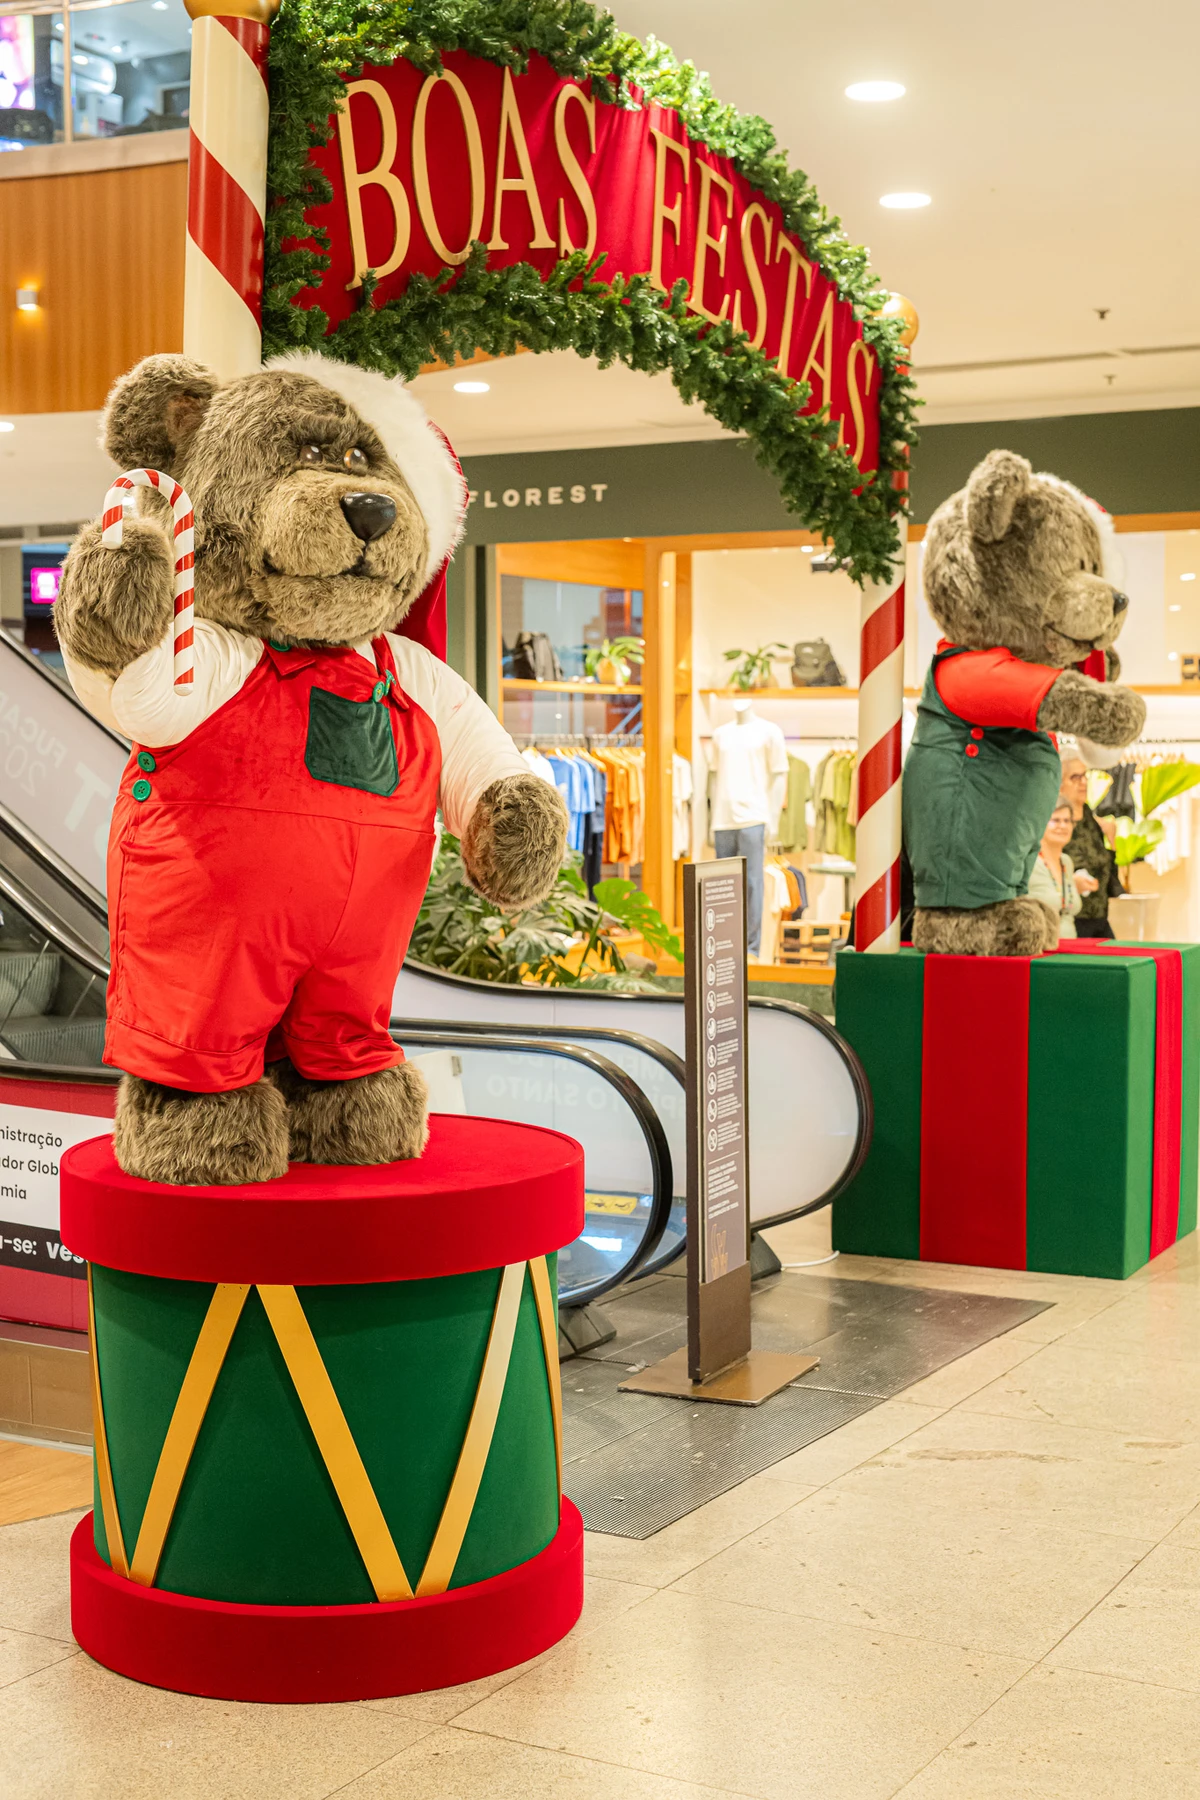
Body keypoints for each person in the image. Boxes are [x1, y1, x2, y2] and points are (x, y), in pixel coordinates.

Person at [1060, 754, 1122, 938]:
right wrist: (1071, 885)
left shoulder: (1093, 821)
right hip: (1070, 921)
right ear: (1060, 784)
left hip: (1099, 917)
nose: (1083, 782)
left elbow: (1108, 873)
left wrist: (1111, 842)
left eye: (1085, 776)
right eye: (1075, 777)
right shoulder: (1054, 825)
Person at [1028, 802, 1084, 939]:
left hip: (1069, 947)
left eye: (1067, 821)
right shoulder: (1030, 862)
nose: (1063, 826)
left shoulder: (1066, 862)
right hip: (1038, 947)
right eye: (1055, 820)